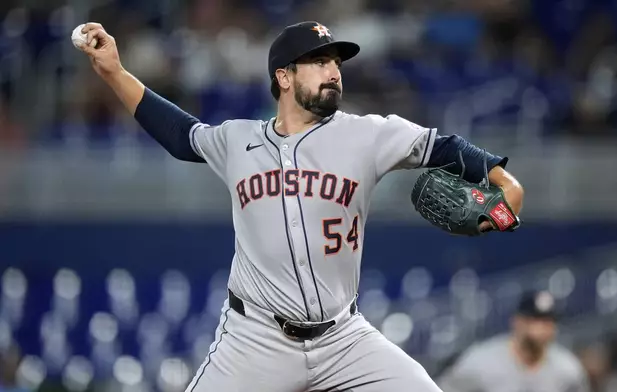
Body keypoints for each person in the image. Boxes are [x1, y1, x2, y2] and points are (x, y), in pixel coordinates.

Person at [77, 20, 524, 392]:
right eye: (319, 61)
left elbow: (445, 147)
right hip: (255, 340)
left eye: (336, 62)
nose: (333, 72)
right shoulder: (237, 139)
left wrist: (504, 186)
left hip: (344, 338)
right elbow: (180, 135)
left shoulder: (367, 134)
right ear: (284, 77)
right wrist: (115, 71)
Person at [437, 290, 589, 392]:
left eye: (548, 321)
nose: (541, 328)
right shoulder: (479, 363)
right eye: (534, 320)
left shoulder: (568, 369)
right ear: (516, 321)